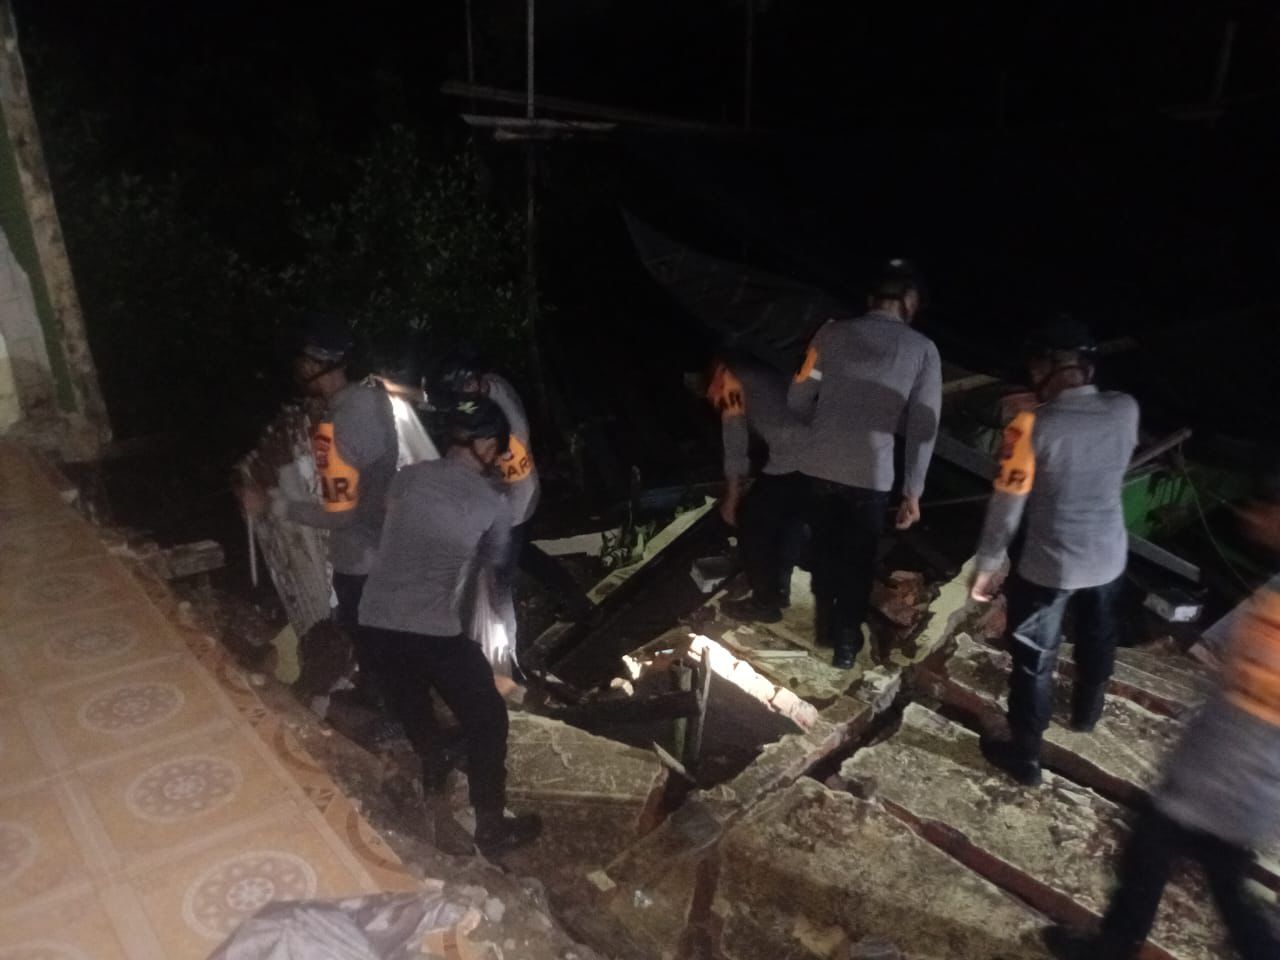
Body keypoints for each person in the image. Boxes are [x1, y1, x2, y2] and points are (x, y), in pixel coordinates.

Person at [1042, 479, 1280, 960]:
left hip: (1232, 780)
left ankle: (1113, 948)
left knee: (1164, 861)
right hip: (1226, 773)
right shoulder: (1275, 588)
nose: (1252, 516)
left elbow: (1253, 693)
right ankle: (1115, 945)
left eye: (1266, 508)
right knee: (1202, 877)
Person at [357, 395, 542, 856]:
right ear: (485, 445)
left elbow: (389, 520)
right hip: (431, 631)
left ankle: (433, 759)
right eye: (497, 447)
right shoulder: (493, 503)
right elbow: (493, 559)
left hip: (372, 621)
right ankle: (491, 825)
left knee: (415, 706)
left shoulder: (407, 477)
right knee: (489, 719)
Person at [970, 316, 1139, 786]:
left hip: (1049, 566)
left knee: (1034, 661)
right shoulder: (1125, 409)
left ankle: (1025, 757)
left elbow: (1007, 504)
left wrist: (989, 563)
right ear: (1087, 366)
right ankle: (1086, 713)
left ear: (1041, 368)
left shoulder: (1029, 427)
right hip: (1107, 558)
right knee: (1098, 636)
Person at [788, 259, 942, 668]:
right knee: (856, 562)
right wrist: (913, 492)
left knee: (824, 550)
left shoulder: (830, 333)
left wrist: (824, 426)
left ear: (871, 297)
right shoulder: (923, 350)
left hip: (819, 465)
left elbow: (797, 397)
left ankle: (826, 626)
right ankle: (844, 643)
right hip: (870, 475)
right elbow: (924, 428)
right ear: (910, 300)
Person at [241, 313, 399, 704]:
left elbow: (340, 514)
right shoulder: (373, 399)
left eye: (302, 361)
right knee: (384, 635)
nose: (298, 369)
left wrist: (271, 504)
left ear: (316, 364)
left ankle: (382, 705)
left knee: (367, 640)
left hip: (359, 555)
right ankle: (387, 695)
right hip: (386, 541)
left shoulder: (339, 428)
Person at [432, 350, 595, 630]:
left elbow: (501, 479)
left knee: (499, 579)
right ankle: (578, 602)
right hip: (521, 493)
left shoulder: (507, 432)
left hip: (513, 505)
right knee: (526, 556)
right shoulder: (493, 385)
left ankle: (504, 643)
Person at [706, 351, 810, 624]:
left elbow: (735, 439)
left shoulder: (730, 381)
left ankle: (765, 602)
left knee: (752, 522)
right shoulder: (762, 369)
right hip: (822, 455)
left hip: (795, 458)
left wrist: (732, 496)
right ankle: (779, 591)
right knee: (789, 524)